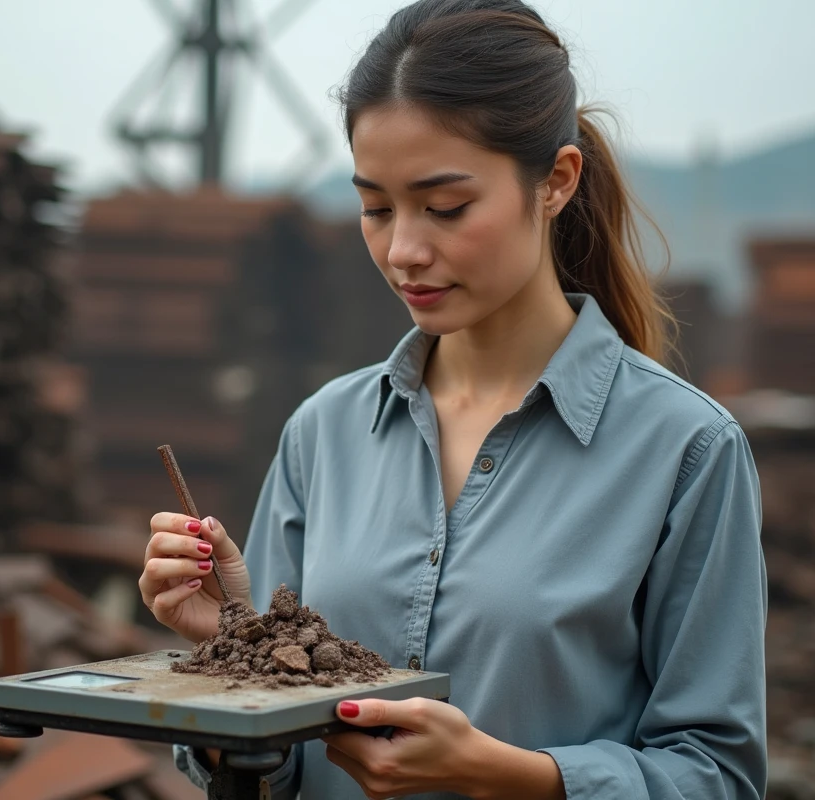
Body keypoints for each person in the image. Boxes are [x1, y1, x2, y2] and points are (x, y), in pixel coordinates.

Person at [138, 1, 767, 797]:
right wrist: (230, 655)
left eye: (446, 207)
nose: (403, 249)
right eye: (375, 208)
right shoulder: (323, 434)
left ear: (556, 183)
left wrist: (506, 774)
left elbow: (718, 775)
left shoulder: (685, 450)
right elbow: (276, 766)